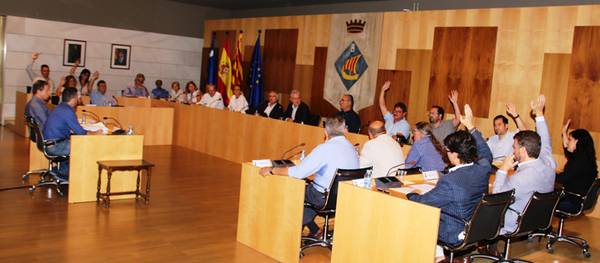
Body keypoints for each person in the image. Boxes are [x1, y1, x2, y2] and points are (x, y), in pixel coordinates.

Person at [407, 104, 493, 263]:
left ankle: (437, 256)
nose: (445, 153)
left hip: (454, 231)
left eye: (447, 150)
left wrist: (410, 195)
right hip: (476, 228)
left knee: (415, 215)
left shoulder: (450, 181)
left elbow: (423, 202)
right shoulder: (483, 169)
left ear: (455, 154)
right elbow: (486, 152)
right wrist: (471, 127)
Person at [258, 116, 359, 236]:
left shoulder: (324, 149)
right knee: (308, 191)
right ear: (344, 131)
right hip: (344, 197)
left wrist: (272, 170)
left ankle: (287, 236)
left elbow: (298, 173)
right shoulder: (352, 149)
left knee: (293, 190)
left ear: (325, 132)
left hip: (322, 198)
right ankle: (315, 229)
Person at [484, 95, 557, 255]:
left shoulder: (520, 178)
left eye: (514, 147)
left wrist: (503, 169)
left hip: (515, 221)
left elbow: (497, 197)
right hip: (536, 220)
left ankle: (488, 243)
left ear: (523, 151)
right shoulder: (549, 164)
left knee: (482, 203)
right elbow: (545, 142)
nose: (513, 149)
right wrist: (539, 115)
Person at [43, 87, 100, 179]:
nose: (79, 98)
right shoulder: (68, 111)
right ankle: (81, 177)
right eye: (79, 96)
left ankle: (62, 172)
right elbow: (82, 133)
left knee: (73, 141)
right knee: (85, 145)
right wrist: (96, 133)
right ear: (74, 98)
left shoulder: (60, 107)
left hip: (51, 143)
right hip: (55, 146)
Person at [556, 120, 598, 213]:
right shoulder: (585, 158)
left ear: (577, 142)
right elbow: (568, 150)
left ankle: (543, 227)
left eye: (570, 140)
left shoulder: (579, 161)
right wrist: (564, 133)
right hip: (579, 200)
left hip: (572, 201)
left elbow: (563, 178)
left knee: (540, 201)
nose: (568, 143)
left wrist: (548, 174)